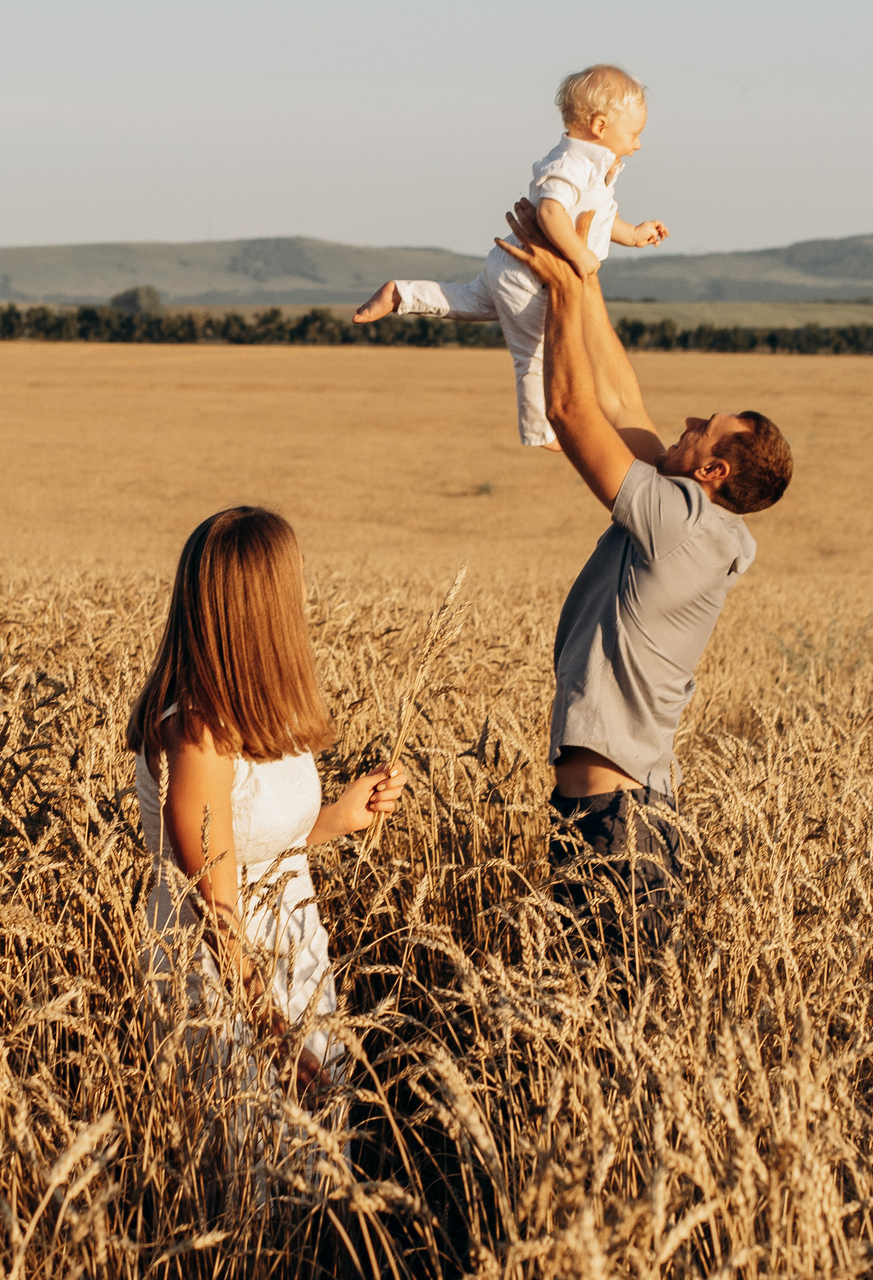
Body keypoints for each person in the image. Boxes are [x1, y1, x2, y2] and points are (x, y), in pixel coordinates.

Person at [493, 200, 792, 966]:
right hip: (610, 811)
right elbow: (622, 399)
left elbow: (572, 410)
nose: (683, 420)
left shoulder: (680, 522)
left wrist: (563, 290)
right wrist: (586, 269)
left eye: (701, 427)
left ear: (713, 469)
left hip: (617, 823)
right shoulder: (688, 514)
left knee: (610, 1012)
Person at [125, 506, 409, 1132]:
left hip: (293, 954)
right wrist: (271, 1033)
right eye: (294, 578)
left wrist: (341, 817)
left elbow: (258, 841)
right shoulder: (197, 734)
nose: (305, 591)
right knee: (252, 1158)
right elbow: (215, 908)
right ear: (261, 606)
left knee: (315, 1151)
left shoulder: (263, 714)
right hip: (226, 985)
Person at [352, 65, 672, 449]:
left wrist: (633, 234)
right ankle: (540, 430)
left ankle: (402, 294)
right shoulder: (572, 164)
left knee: (468, 300)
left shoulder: (591, 166)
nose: (638, 144)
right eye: (634, 134)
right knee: (534, 353)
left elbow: (597, 215)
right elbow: (550, 212)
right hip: (528, 277)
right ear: (600, 126)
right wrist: (580, 256)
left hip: (512, 265)